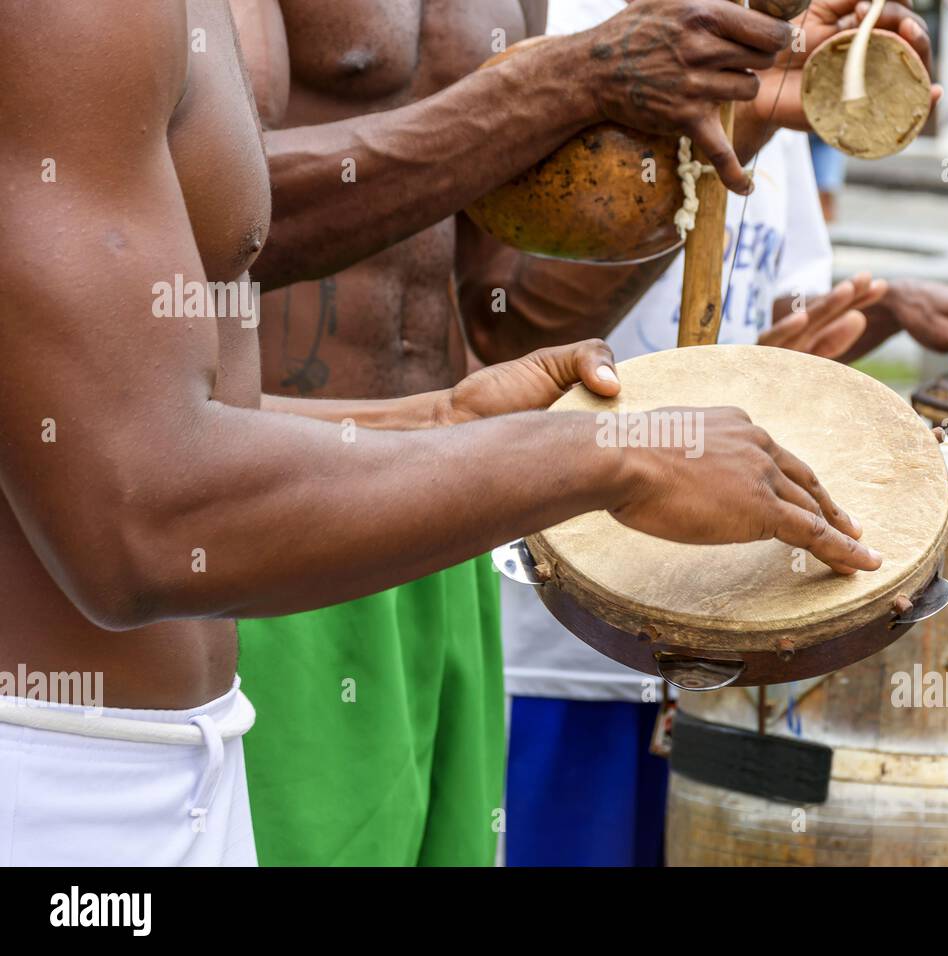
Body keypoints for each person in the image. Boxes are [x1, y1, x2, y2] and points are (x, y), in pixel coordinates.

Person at [0, 0, 879, 867]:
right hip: (116, 706)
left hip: (374, 553)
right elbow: (139, 513)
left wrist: (438, 419)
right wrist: (561, 81)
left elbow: (509, 315)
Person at [226, 0, 829, 867]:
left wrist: (744, 112)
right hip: (272, 525)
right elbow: (192, 216)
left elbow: (507, 315)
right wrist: (563, 79)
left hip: (447, 529)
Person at [500, 0, 948, 868]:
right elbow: (509, 329)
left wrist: (878, 314)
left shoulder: (774, 82)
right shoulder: (581, 29)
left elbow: (783, 323)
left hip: (739, 634)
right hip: (567, 648)